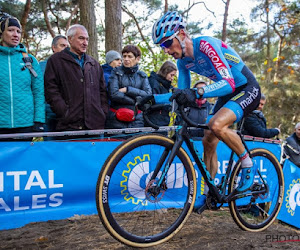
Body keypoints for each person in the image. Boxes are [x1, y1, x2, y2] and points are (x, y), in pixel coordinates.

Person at [152, 11, 261, 210]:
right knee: (208, 138)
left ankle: (248, 165)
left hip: (246, 88)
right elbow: (181, 93)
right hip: (228, 93)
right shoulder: (182, 62)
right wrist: (151, 99)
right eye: (162, 46)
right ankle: (211, 191)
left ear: (182, 34)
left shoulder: (206, 45)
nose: (166, 50)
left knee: (216, 124)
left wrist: (199, 92)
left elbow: (228, 83)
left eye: (167, 43)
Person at [44, 24, 109, 133]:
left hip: (95, 126)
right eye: (81, 38)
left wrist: (102, 112)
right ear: (70, 39)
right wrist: (64, 112)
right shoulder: (56, 61)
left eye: (87, 39)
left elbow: (102, 91)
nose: (85, 43)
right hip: (69, 126)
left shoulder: (94, 64)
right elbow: (51, 90)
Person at [0, 15, 45, 140]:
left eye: (18, 31)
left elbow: (38, 92)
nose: (16, 35)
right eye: (11, 30)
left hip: (25, 125)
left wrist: (39, 120)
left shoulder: (29, 60)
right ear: (2, 33)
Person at [105, 44, 152, 129]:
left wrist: (128, 90)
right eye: (124, 56)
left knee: (136, 142)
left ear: (137, 59)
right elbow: (114, 94)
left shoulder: (142, 76)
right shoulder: (116, 72)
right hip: (116, 118)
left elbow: (148, 95)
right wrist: (135, 100)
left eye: (130, 56)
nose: (126, 59)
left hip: (136, 119)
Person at [40, 35, 69, 136]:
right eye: (62, 45)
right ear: (54, 47)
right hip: (49, 114)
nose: (65, 48)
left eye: (67, 46)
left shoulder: (71, 66)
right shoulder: (42, 66)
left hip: (67, 114)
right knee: (49, 146)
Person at [147, 60, 177, 127]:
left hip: (163, 119)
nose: (172, 78)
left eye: (174, 76)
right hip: (153, 119)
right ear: (165, 72)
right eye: (171, 75)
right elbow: (152, 100)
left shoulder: (168, 86)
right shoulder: (154, 82)